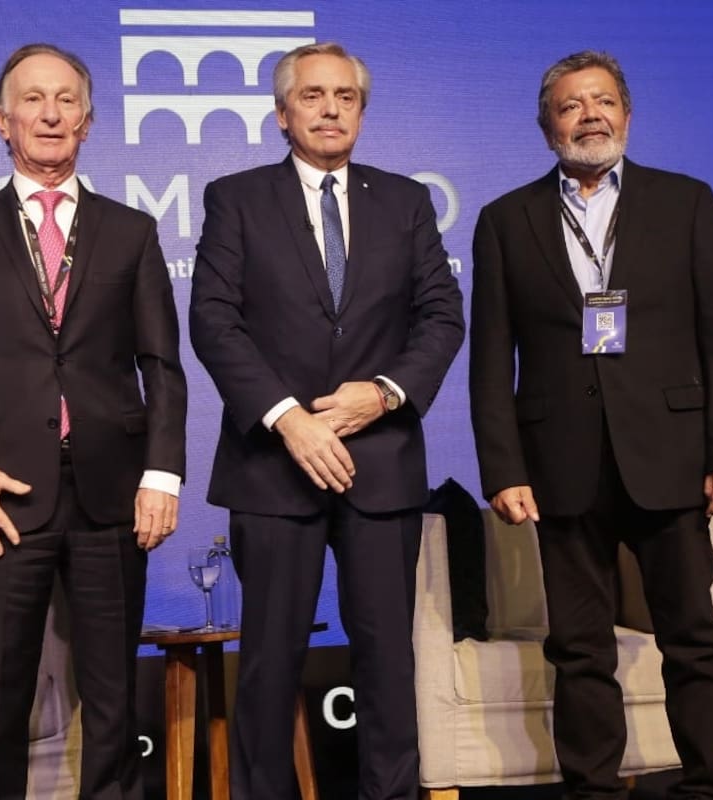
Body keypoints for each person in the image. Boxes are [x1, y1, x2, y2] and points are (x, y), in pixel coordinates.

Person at [469, 50, 713, 799]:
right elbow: (491, 359)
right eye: (570, 106)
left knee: (692, 636)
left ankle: (707, 784)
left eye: (602, 101)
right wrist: (503, 468)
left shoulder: (686, 202)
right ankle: (592, 788)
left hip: (671, 455)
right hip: (561, 464)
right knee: (578, 647)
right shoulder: (505, 221)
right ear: (547, 127)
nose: (589, 116)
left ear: (627, 114)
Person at [0, 42, 187, 800]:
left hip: (113, 496)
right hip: (1, 498)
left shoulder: (132, 231)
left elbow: (162, 366)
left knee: (115, 703)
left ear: (88, 122)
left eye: (67, 100)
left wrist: (162, 475)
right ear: (2, 120)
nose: (51, 114)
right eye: (33, 99)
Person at [190, 42, 464, 800]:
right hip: (274, 467)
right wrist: (290, 420)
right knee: (270, 662)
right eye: (312, 95)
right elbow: (213, 321)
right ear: (283, 114)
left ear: (362, 113)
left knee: (388, 661)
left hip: (382, 463)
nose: (331, 108)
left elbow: (443, 315)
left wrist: (384, 392)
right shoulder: (235, 198)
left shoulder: (405, 202)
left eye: (346, 96)